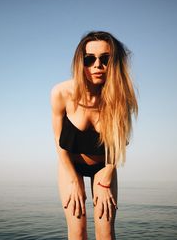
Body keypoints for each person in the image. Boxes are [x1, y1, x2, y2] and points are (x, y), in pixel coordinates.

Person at [51, 31, 138, 240]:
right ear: (80, 62)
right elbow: (58, 143)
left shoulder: (120, 97)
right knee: (77, 232)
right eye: (89, 59)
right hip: (70, 166)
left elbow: (117, 147)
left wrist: (105, 181)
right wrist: (73, 180)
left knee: (106, 233)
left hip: (104, 167)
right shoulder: (61, 93)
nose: (97, 65)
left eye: (105, 59)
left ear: (114, 62)